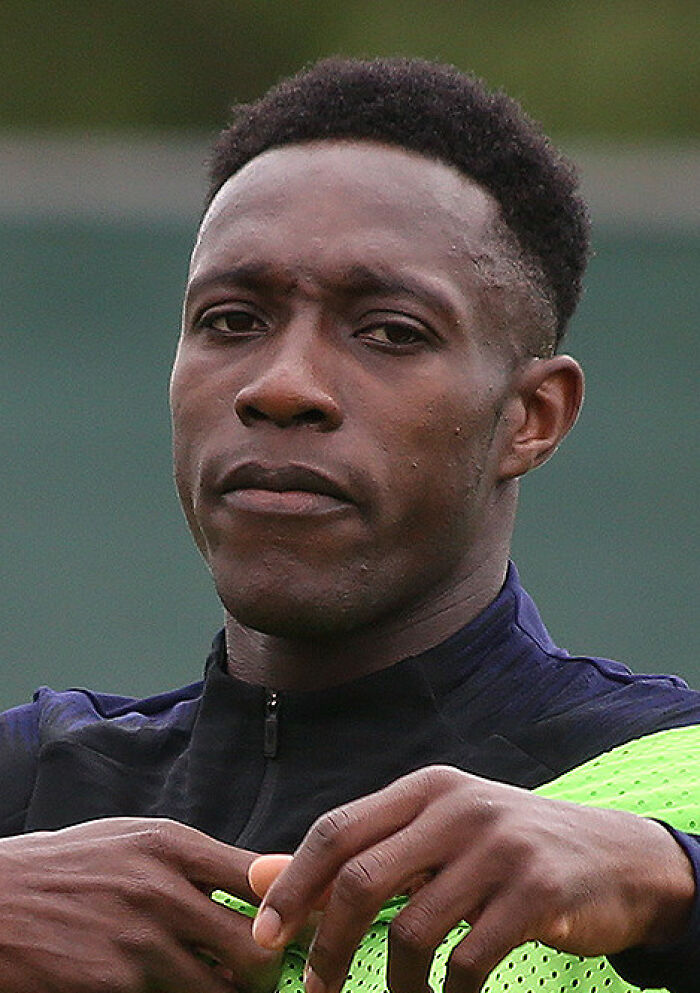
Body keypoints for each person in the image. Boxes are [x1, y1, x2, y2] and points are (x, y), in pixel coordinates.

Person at [0, 57, 698, 993]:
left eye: (390, 332)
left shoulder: (661, 776)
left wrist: (677, 886)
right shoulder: (33, 789)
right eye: (232, 318)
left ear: (531, 418)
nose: (281, 385)